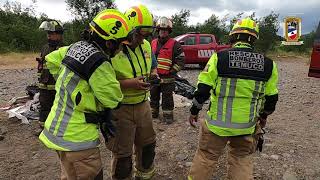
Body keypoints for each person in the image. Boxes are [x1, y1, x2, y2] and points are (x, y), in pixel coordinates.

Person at [38, 9, 132, 180]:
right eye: (120, 44)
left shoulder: (75, 47)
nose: (120, 50)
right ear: (110, 43)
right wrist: (89, 97)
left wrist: (67, 84)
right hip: (78, 140)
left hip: (58, 131)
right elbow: (113, 99)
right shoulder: (99, 62)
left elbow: (51, 59)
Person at [187, 18, 279, 180]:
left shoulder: (219, 58)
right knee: (241, 159)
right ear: (254, 38)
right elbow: (271, 98)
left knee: (207, 157)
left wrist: (194, 110)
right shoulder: (269, 65)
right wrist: (263, 116)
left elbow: (203, 89)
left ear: (233, 37)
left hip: (217, 126)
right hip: (246, 126)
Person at [106, 4, 157, 180]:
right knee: (123, 156)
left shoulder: (147, 46)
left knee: (148, 146)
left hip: (143, 105)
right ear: (129, 31)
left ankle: (144, 176)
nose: (143, 41)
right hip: (121, 109)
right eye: (139, 36)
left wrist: (154, 76)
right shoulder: (112, 49)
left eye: (146, 36)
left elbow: (153, 67)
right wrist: (130, 84)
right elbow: (103, 83)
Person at [150, 16, 185, 124]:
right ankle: (153, 114)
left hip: (168, 78)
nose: (163, 32)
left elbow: (181, 60)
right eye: (161, 30)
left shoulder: (175, 44)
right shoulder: (153, 43)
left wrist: (172, 71)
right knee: (153, 96)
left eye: (165, 31)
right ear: (158, 31)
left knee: (167, 98)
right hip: (154, 76)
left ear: (168, 31)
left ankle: (168, 116)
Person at [36, 20, 64, 134]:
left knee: (58, 108)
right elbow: (40, 66)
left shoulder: (63, 48)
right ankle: (43, 129)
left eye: (51, 33)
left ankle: (57, 131)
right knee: (44, 107)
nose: (49, 36)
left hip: (57, 86)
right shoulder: (44, 48)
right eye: (48, 33)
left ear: (59, 34)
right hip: (44, 84)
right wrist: (39, 79)